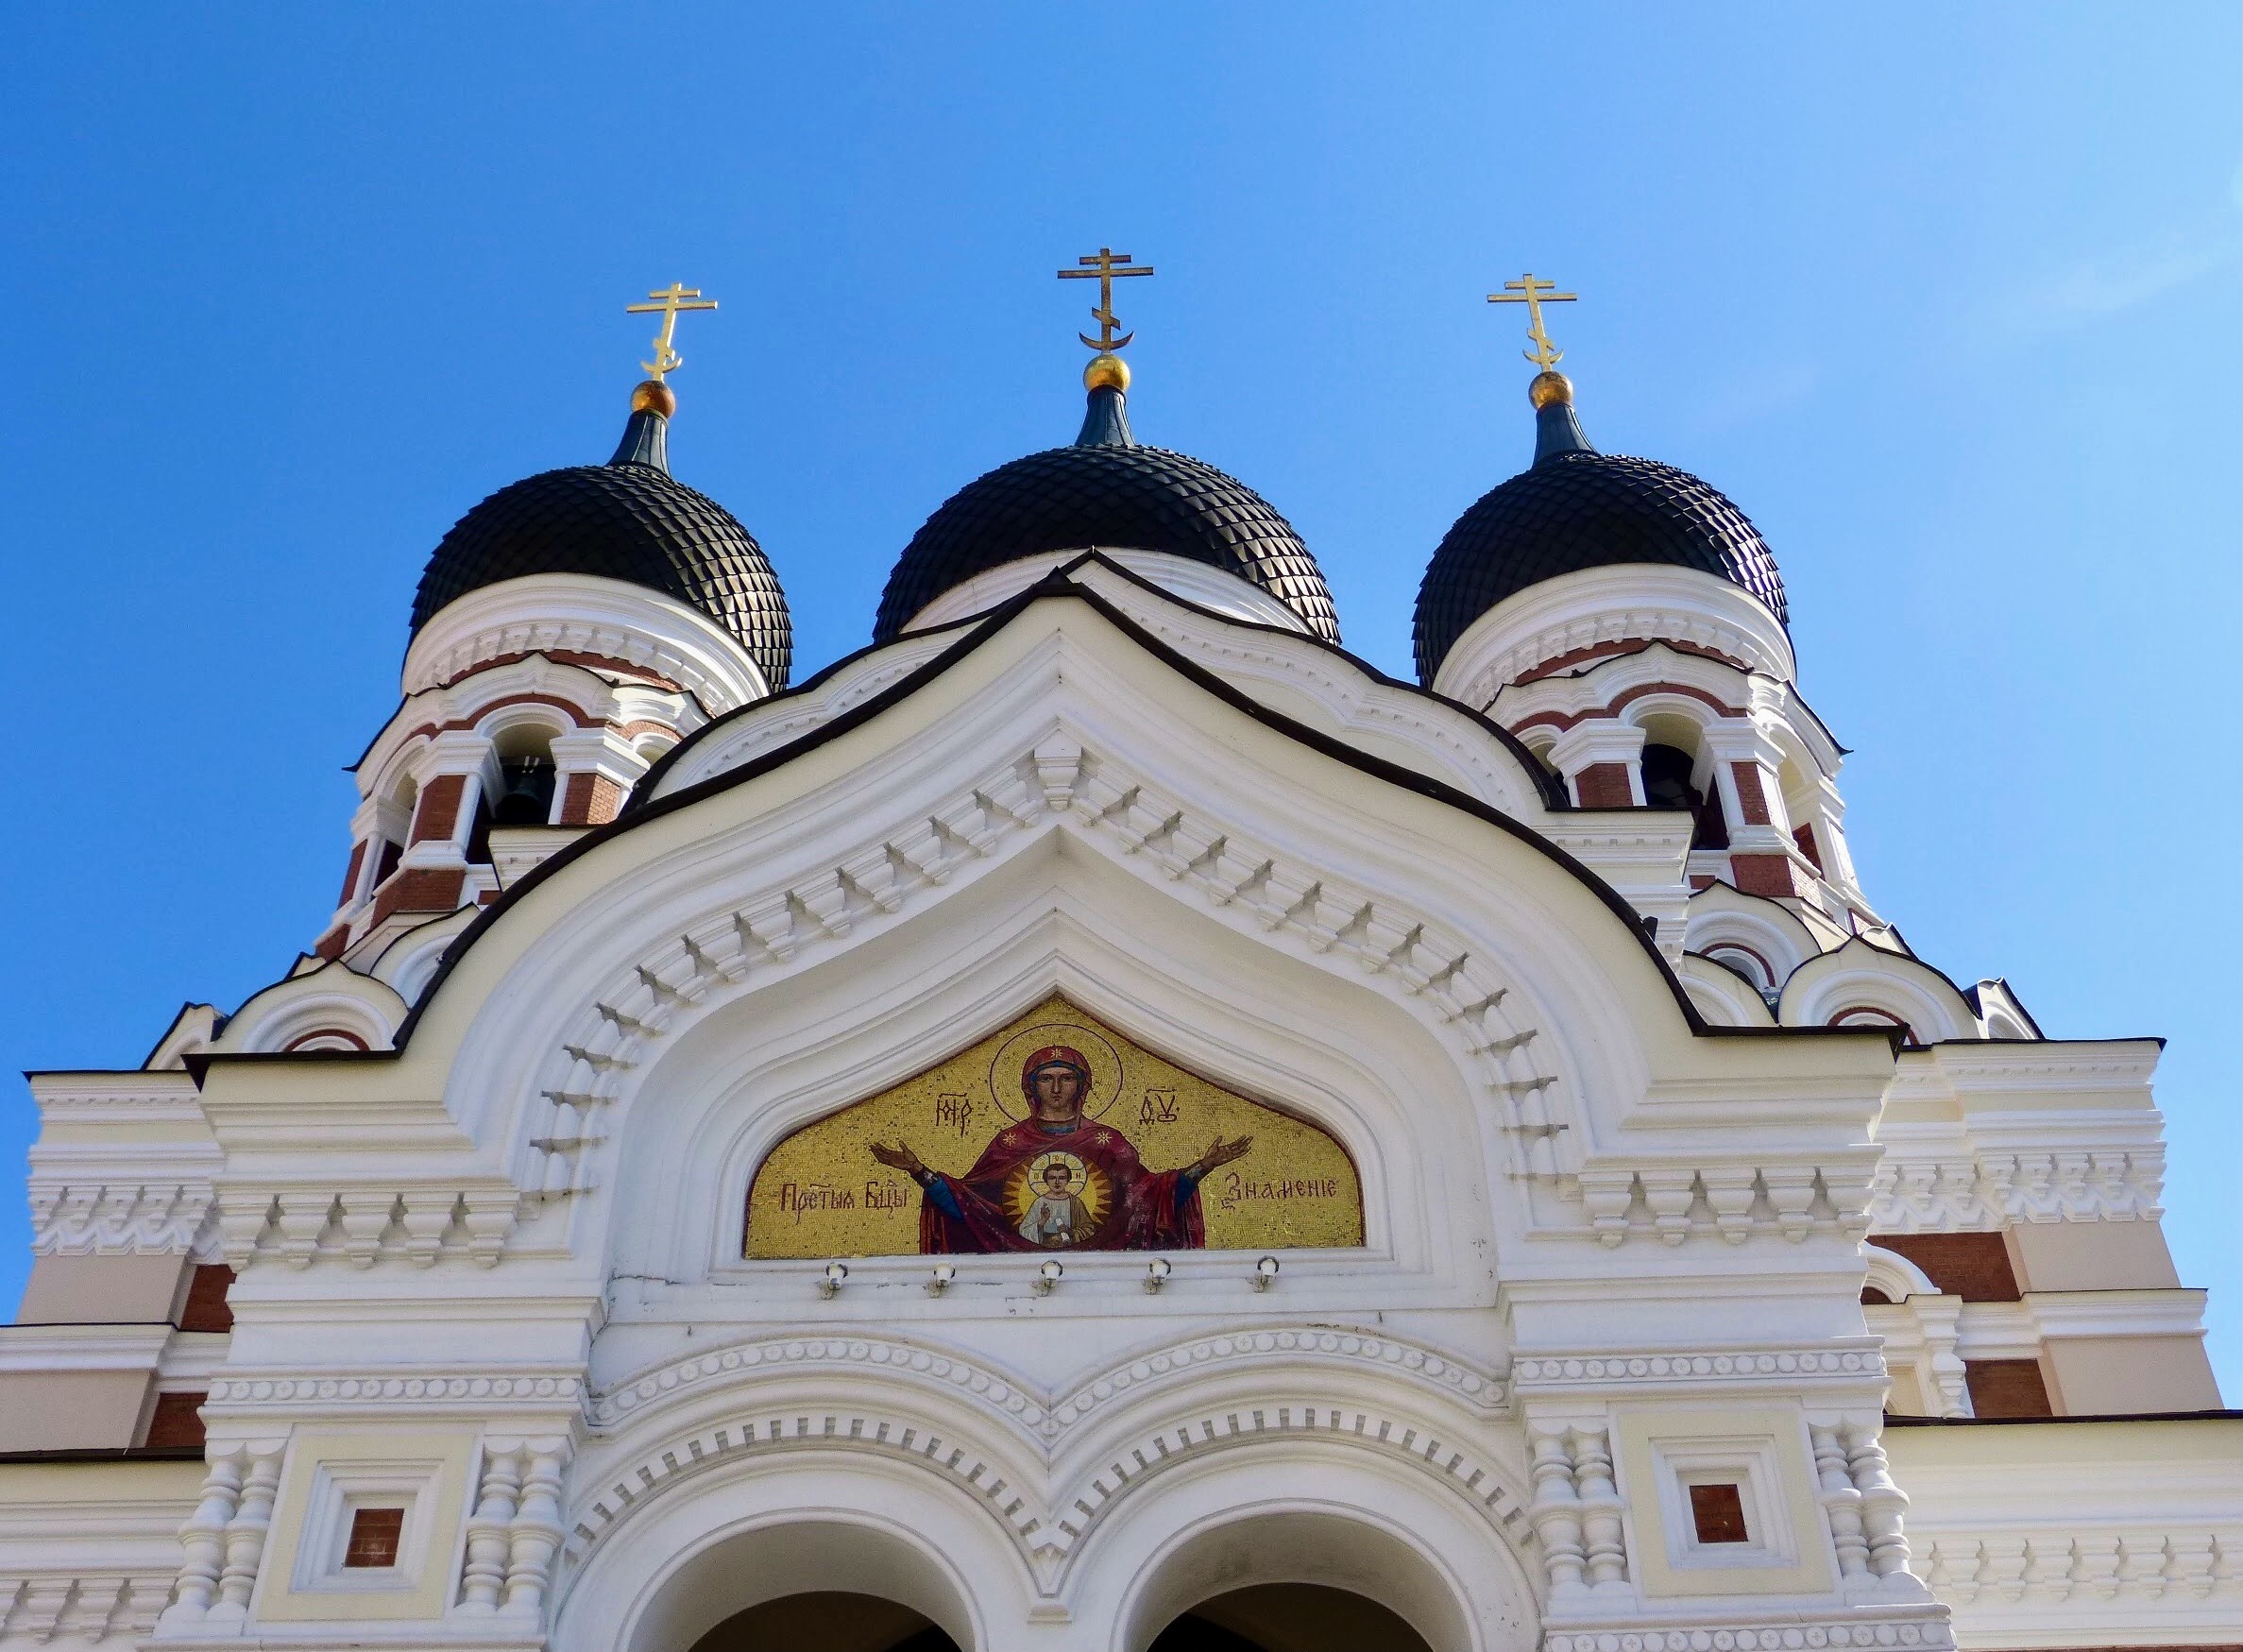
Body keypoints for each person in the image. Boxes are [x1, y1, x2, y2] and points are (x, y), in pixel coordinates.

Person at [870, 1045, 1251, 1253]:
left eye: (1066, 1078)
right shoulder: (1011, 1143)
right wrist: (920, 1172)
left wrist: (1203, 1167)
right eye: (1046, 1079)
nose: (1056, 1088)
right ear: (1030, 1087)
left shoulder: (1109, 1143)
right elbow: (971, 1209)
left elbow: (1150, 1200)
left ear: (1082, 1087)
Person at [1018, 1159, 1091, 1248]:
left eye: (1062, 1178)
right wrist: (1042, 1221)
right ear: (1046, 1180)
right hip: (1044, 1247)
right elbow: (1024, 1231)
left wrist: (1070, 1231)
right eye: (1052, 1178)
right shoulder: (1039, 1202)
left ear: (1068, 1180)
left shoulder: (1076, 1202)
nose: (1057, 1182)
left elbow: (1089, 1229)